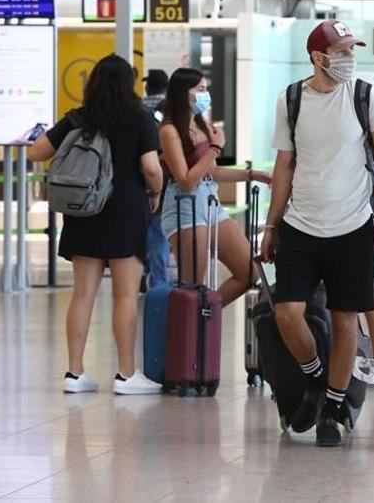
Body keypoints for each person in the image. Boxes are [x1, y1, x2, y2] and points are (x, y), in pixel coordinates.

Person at [261, 20, 374, 447]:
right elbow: (284, 165)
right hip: (300, 226)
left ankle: (332, 403)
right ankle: (314, 377)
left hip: (352, 226)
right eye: (341, 51)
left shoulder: (367, 96)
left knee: (346, 319)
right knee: (287, 312)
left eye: (350, 50)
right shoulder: (291, 99)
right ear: (317, 56)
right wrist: (271, 226)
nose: (348, 58)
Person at [27, 55, 165, 395]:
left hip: (84, 211)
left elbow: (37, 152)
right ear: (128, 83)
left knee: (83, 294)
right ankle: (126, 374)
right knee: (125, 296)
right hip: (125, 214)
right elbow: (150, 167)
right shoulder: (141, 118)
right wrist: (157, 191)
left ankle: (74, 373)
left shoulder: (78, 117)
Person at [158, 68, 271, 307]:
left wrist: (253, 175)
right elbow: (186, 180)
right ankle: (191, 329)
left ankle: (205, 316)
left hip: (210, 202)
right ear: (182, 93)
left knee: (249, 271)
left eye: (206, 89)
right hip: (185, 206)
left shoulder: (203, 125)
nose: (205, 94)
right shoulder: (169, 131)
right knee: (192, 285)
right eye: (199, 89)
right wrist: (215, 148)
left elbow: (212, 172)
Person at [141, 69, 169, 289]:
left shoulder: (137, 108)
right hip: (161, 177)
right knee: (158, 232)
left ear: (148, 87)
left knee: (141, 229)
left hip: (135, 179)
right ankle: (158, 281)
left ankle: (142, 272)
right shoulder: (169, 110)